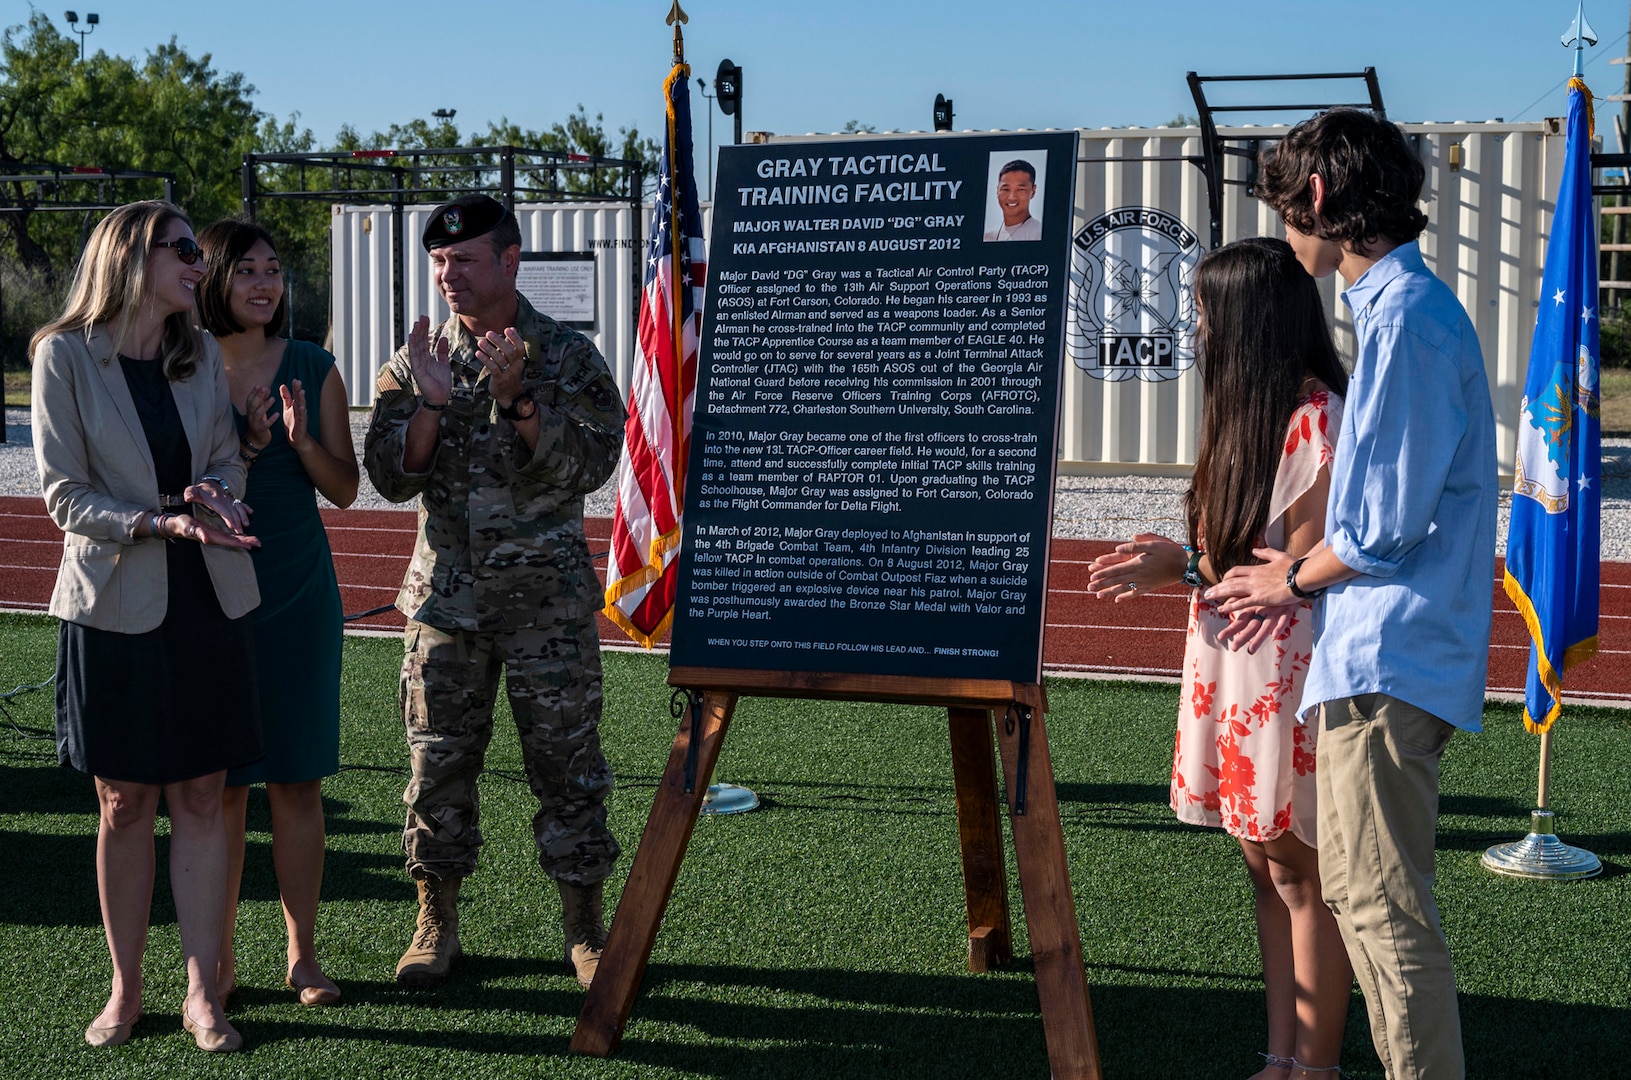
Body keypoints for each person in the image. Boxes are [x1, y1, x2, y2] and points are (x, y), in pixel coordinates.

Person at [1206, 109, 1497, 1080]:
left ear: (1319, 200)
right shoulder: (1394, 315)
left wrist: (1284, 576)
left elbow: (1382, 526)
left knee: (1378, 909)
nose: (1289, 240)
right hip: (1373, 658)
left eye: (1287, 212)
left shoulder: (1407, 321)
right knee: (1364, 905)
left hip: (1390, 659)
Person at [1087, 237, 1352, 1080]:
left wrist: (1186, 566)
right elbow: (1234, 558)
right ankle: (1278, 1054)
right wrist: (1182, 563)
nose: (1195, 326)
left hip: (1284, 670)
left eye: (1204, 311)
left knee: (1301, 874)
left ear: (1247, 322)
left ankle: (1315, 1065)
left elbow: (1293, 568)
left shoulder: (1316, 418)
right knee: (1260, 865)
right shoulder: (1243, 417)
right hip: (1231, 661)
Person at [363, 194, 626, 991]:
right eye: (439, 262)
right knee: (437, 767)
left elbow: (591, 465)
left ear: (510, 261)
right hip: (446, 606)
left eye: (465, 260)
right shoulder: (415, 358)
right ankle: (435, 919)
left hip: (545, 608)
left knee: (568, 768)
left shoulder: (567, 356)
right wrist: (433, 403)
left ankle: (583, 927)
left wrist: (517, 400)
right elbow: (387, 472)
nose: (448, 275)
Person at [31, 200, 263, 1053]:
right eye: (184, 251)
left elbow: (228, 457)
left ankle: (204, 995)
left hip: (208, 591)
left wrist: (216, 491)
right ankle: (126, 991)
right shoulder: (62, 354)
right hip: (115, 600)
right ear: (131, 257)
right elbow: (63, 495)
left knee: (204, 795)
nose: (199, 264)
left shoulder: (198, 352)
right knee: (124, 802)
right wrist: (157, 522)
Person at [195, 220, 359, 1008]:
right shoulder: (177, 363)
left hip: (295, 593)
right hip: (206, 594)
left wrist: (296, 443)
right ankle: (217, 963)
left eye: (273, 270)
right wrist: (247, 448)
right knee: (218, 788)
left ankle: (302, 956)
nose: (265, 285)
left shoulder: (313, 366)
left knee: (296, 783)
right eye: (247, 271)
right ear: (214, 280)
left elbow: (345, 488)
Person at [983, 159, 1043, 241]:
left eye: (1020, 189)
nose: (1012, 197)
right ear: (997, 190)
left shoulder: (1038, 234)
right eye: (1006, 189)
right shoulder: (988, 238)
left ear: (1033, 191)